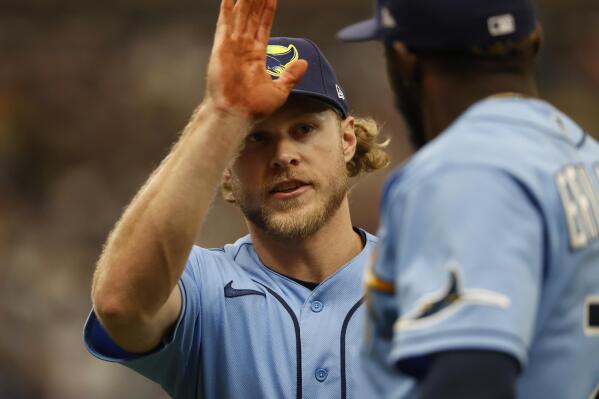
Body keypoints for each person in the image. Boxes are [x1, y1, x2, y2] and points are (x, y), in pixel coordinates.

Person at [83, 0, 409, 398]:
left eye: (304, 129)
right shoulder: (202, 287)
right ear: (224, 165)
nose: (283, 155)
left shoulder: (416, 282)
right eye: (255, 137)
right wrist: (221, 114)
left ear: (346, 140)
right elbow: (119, 305)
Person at [338, 0, 599, 398]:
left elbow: (473, 375)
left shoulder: (463, 170)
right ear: (534, 39)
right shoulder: (582, 154)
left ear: (404, 57)